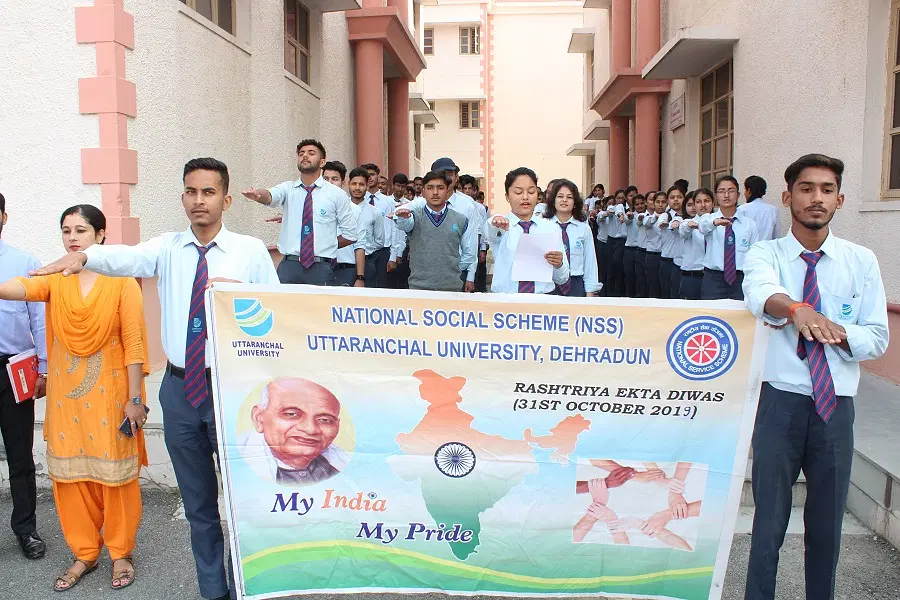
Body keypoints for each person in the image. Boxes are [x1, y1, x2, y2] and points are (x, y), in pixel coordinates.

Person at [32, 158, 280, 600]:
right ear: (183, 197)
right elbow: (125, 257)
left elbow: (277, 317)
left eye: (208, 192)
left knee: (247, 503)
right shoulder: (167, 248)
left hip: (234, 389)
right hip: (181, 391)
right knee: (200, 507)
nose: (199, 200)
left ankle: (252, 588)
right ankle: (214, 591)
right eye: (191, 192)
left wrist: (241, 302)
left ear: (226, 199)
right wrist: (85, 255)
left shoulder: (250, 252)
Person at [741, 154, 889, 600]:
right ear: (788, 197)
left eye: (827, 189)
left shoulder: (860, 261)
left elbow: (877, 337)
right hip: (779, 405)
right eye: (806, 189)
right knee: (768, 523)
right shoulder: (766, 253)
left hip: (834, 410)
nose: (816, 198)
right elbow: (761, 292)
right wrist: (797, 309)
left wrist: (834, 331)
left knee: (826, 526)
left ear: (840, 200)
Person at [1, 205, 149, 591]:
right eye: (66, 231)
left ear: (100, 235)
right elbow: (21, 288)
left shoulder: (121, 281)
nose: (72, 238)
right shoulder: (57, 279)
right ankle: (84, 552)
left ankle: (120, 552)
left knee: (116, 479)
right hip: (66, 399)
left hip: (112, 395)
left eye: (81, 230)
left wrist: (135, 399)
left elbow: (134, 342)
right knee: (70, 480)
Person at [0, 193, 48, 561]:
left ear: (3, 217)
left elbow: (40, 320)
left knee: (20, 456)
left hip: (12, 369)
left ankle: (26, 529)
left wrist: (44, 368)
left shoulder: (24, 263)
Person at [241, 139, 356, 286]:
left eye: (311, 153)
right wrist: (258, 195)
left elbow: (350, 235)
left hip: (320, 268)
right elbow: (270, 195)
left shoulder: (336, 195)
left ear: (322, 162)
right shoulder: (288, 189)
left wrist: (327, 245)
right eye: (301, 153)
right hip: (289, 266)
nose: (305, 156)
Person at [239, 377, 347, 485]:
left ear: (337, 425)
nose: (310, 429)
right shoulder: (237, 466)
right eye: (291, 414)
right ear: (259, 418)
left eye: (325, 420)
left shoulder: (345, 464)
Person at [486, 167, 569, 294]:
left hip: (541, 300)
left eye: (531, 192)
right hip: (506, 300)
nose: (525, 197)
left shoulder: (550, 229)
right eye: (518, 192)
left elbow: (562, 279)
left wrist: (558, 264)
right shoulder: (501, 226)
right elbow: (491, 230)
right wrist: (495, 221)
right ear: (507, 196)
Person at [394, 171, 477, 292]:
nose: (435, 192)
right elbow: (404, 225)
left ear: (448, 191)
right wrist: (402, 217)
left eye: (440, 188)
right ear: (423, 191)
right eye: (430, 188)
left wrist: (452, 268)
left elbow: (469, 254)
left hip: (451, 288)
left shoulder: (460, 219)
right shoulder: (414, 216)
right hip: (419, 288)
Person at [698, 175, 760, 300]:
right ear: (716, 196)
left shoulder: (749, 224)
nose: (726, 195)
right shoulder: (708, 219)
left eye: (731, 191)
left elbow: (754, 254)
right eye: (722, 191)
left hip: (740, 279)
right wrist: (715, 222)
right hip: (713, 279)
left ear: (738, 195)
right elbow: (702, 227)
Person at [542, 179, 600, 297]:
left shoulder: (584, 228)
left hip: (576, 284)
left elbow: (590, 263)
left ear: (575, 203)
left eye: (569, 197)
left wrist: (590, 293)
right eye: (560, 196)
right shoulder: (543, 226)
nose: (564, 200)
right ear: (553, 201)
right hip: (549, 284)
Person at [343, 167, 385, 289]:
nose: (357, 188)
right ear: (348, 184)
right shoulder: (341, 209)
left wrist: (365, 250)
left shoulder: (375, 212)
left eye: (361, 184)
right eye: (354, 184)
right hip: (343, 263)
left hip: (367, 263)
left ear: (367, 186)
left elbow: (379, 241)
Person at [361, 164, 397, 288]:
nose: (369, 177)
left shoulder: (388, 202)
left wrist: (394, 256)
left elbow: (394, 228)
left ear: (378, 176)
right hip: (364, 249)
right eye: (366, 175)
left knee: (382, 286)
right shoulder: (359, 200)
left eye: (372, 174)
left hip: (384, 250)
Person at [678, 188, 714, 300]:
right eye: (698, 202)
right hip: (693, 277)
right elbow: (684, 230)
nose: (703, 205)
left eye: (706, 201)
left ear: (713, 203)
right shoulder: (687, 222)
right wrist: (690, 226)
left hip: (714, 277)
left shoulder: (720, 223)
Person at [659, 186, 684, 300]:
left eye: (679, 197)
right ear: (668, 200)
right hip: (667, 261)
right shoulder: (665, 215)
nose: (676, 200)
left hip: (683, 262)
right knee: (668, 296)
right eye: (672, 197)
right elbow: (661, 222)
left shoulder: (689, 216)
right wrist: (669, 223)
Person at [739, 175, 779, 241]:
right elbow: (776, 236)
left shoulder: (742, 209)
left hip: (748, 246)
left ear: (749, 190)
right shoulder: (773, 210)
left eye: (745, 189)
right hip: (767, 247)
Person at [643, 192, 667, 298]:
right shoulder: (648, 217)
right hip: (653, 256)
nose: (660, 205)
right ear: (654, 203)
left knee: (665, 289)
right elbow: (647, 223)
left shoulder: (671, 218)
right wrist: (656, 217)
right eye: (658, 202)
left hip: (666, 258)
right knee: (653, 288)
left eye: (663, 202)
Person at [621, 194, 646, 298]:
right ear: (633, 206)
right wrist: (629, 217)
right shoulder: (630, 215)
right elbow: (627, 219)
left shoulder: (648, 216)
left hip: (642, 250)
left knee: (641, 278)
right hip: (630, 250)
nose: (640, 206)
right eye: (637, 204)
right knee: (629, 277)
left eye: (641, 203)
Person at [605, 189, 628, 296]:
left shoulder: (627, 210)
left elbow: (621, 210)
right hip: (611, 240)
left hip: (622, 241)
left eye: (622, 198)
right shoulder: (612, 208)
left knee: (619, 267)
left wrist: (622, 214)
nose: (620, 200)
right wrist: (618, 214)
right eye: (618, 198)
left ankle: (619, 292)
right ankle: (609, 293)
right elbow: (611, 210)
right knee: (610, 267)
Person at [634, 192, 654, 298]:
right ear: (646, 202)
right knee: (641, 282)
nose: (653, 202)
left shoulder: (665, 216)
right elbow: (640, 220)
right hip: (642, 252)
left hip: (656, 254)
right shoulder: (642, 215)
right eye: (651, 199)